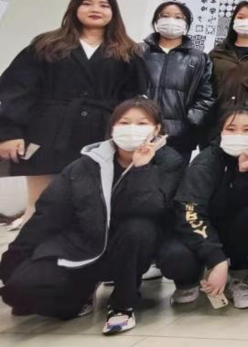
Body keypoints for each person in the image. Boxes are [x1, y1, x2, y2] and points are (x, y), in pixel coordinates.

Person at [0, 97, 184, 334]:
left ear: (156, 129)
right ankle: (82, 291)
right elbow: (48, 213)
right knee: (20, 291)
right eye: (124, 122)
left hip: (133, 244)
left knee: (138, 228)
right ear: (112, 127)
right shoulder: (87, 163)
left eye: (142, 123)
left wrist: (141, 168)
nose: (132, 129)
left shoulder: (169, 161)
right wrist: (13, 260)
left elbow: (150, 207)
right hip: (84, 243)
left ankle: (123, 303)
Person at [0, 0, 148, 230]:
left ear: (113, 12)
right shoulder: (47, 44)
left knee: (87, 201)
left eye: (104, 5)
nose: (95, 9)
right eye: (87, 3)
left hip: (101, 132)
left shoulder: (128, 51)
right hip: (47, 129)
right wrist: (9, 132)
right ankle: (29, 239)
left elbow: (134, 100)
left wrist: (130, 135)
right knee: (40, 204)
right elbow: (17, 90)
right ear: (75, 8)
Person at [158, 105, 248, 309]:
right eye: (231, 129)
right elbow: (190, 211)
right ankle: (188, 281)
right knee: (173, 254)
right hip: (202, 231)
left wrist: (244, 174)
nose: (238, 135)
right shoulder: (206, 162)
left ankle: (239, 277)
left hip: (235, 233)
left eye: (247, 130)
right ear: (221, 132)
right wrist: (216, 258)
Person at [139, 1, 214, 161]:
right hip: (140, 132)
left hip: (180, 138)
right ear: (156, 20)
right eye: (165, 16)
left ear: (186, 23)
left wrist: (191, 121)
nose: (171, 20)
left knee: (174, 175)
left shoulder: (198, 58)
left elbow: (206, 95)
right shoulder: (139, 51)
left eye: (178, 17)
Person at [207, 1, 248, 112]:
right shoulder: (217, 53)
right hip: (219, 115)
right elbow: (206, 89)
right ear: (233, 21)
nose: (246, 22)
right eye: (241, 17)